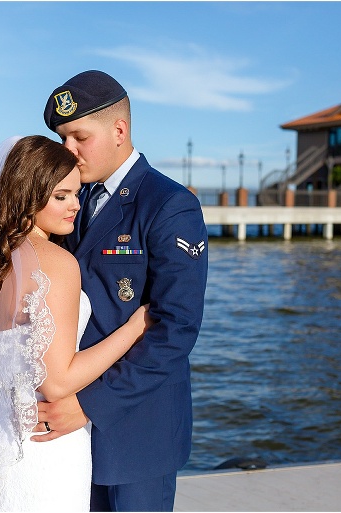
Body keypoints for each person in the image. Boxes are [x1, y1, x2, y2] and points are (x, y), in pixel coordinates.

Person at [0, 135, 152, 511]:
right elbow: (56, 381)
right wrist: (134, 328)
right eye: (61, 196)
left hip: (3, 436)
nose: (75, 205)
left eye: (77, 194)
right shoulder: (57, 264)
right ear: (29, 194)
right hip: (48, 445)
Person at [36, 71, 208, 511]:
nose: (68, 150)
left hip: (137, 429)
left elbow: (174, 330)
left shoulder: (169, 205)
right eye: (61, 139)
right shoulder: (65, 201)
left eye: (78, 136)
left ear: (119, 130)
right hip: (66, 427)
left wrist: (89, 405)